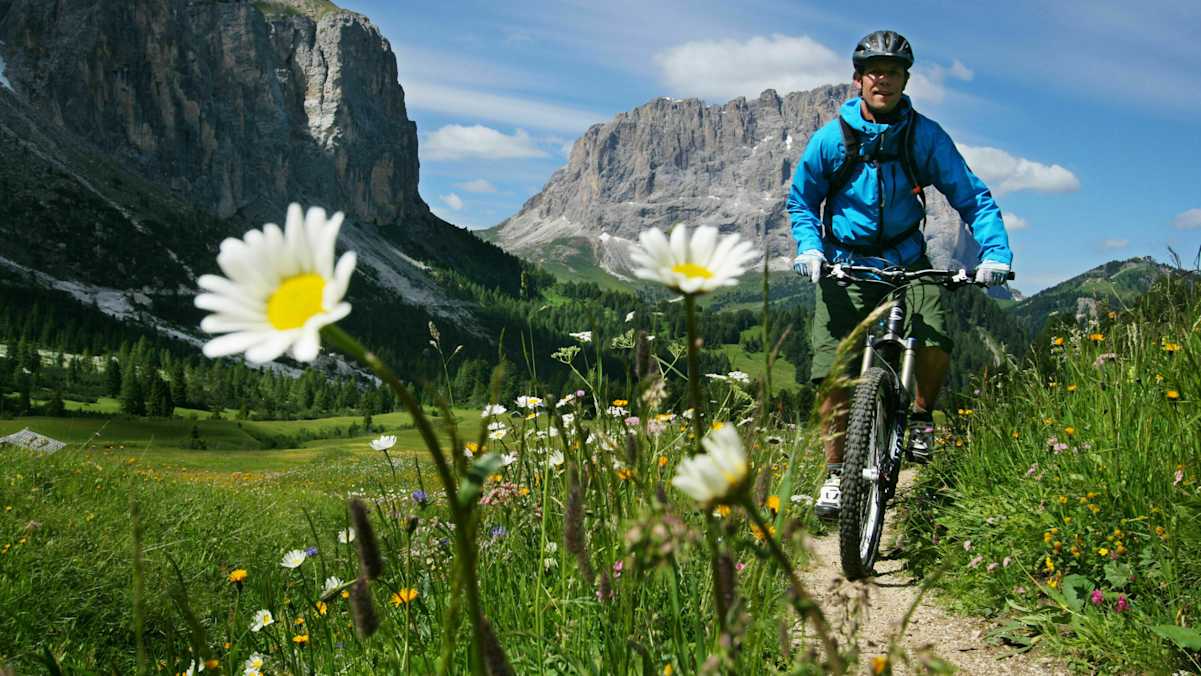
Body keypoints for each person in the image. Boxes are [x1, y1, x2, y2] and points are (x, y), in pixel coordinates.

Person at [786, 30, 1013, 519]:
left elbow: (971, 195)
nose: (882, 78)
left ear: (906, 79)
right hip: (844, 262)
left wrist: (995, 251)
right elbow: (802, 200)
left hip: (907, 258)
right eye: (873, 70)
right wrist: (809, 247)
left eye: (892, 70)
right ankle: (833, 474)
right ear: (857, 79)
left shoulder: (924, 136)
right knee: (833, 372)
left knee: (932, 334)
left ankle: (921, 416)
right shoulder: (831, 139)